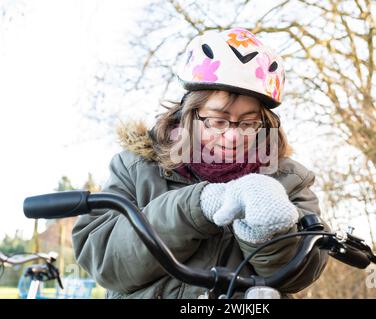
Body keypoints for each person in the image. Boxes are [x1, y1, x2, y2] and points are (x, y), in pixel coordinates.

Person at [72, 28, 329, 299]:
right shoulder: (135, 167)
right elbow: (104, 261)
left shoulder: (289, 179)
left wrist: (269, 235)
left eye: (248, 123)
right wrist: (198, 205)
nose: (232, 137)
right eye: (218, 121)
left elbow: (304, 273)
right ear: (189, 114)